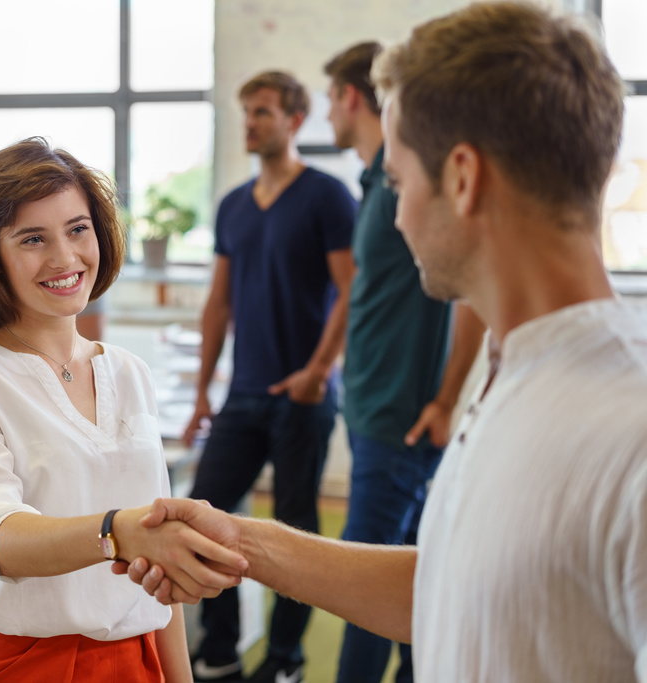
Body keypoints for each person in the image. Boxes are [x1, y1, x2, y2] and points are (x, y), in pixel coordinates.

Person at [123, 3, 647, 681]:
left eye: (398, 181)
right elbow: (448, 589)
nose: (394, 212)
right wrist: (245, 540)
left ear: (462, 178)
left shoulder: (626, 430)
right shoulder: (515, 372)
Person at [0, 137, 248, 683]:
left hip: (138, 663)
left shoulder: (128, 372)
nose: (65, 258)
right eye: (32, 239)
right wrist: (119, 532)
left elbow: (158, 564)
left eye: (78, 229)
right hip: (21, 664)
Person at [181, 71, 357, 683]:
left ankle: (284, 661)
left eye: (262, 112)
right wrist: (204, 389)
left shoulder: (328, 197)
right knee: (205, 514)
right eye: (246, 112)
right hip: (243, 394)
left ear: (294, 120)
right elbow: (218, 304)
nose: (250, 123)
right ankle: (221, 651)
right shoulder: (233, 204)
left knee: (295, 529)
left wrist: (317, 372)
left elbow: (350, 290)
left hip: (303, 398)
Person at [322, 41, 485, 683]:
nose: (327, 111)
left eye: (330, 97)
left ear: (351, 98)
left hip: (403, 416)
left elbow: (470, 286)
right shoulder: (372, 183)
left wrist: (447, 399)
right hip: (372, 406)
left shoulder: (401, 186)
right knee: (419, 574)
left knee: (367, 590)